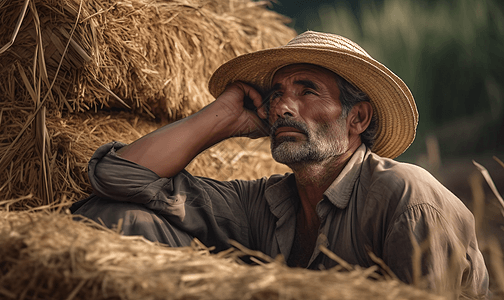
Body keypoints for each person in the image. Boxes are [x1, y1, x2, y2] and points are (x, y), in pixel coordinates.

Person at [71, 31, 489, 298]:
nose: (282, 105)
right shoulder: (264, 201)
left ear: (357, 118)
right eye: (276, 93)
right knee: (114, 219)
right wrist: (222, 117)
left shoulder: (406, 198)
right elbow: (116, 178)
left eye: (307, 90)